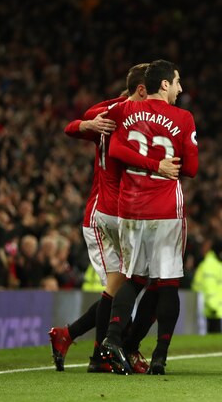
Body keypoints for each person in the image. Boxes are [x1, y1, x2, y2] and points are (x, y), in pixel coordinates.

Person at [49, 64, 180, 373]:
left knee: (129, 282)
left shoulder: (139, 118)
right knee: (121, 285)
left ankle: (73, 337)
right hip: (102, 214)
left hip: (125, 214)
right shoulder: (113, 111)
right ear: (143, 89)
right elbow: (72, 126)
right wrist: (88, 125)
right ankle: (102, 353)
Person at [101, 59, 198, 375]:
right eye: (178, 82)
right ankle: (159, 356)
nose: (181, 88)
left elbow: (113, 147)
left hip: (130, 206)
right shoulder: (183, 117)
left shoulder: (127, 110)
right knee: (168, 283)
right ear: (165, 84)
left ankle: (113, 339)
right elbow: (192, 169)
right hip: (166, 207)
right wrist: (160, 165)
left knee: (133, 277)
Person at [192, 238, 222, 333]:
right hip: (212, 310)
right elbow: (209, 286)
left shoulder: (220, 264)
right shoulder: (211, 264)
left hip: (218, 309)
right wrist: (213, 306)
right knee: (213, 336)